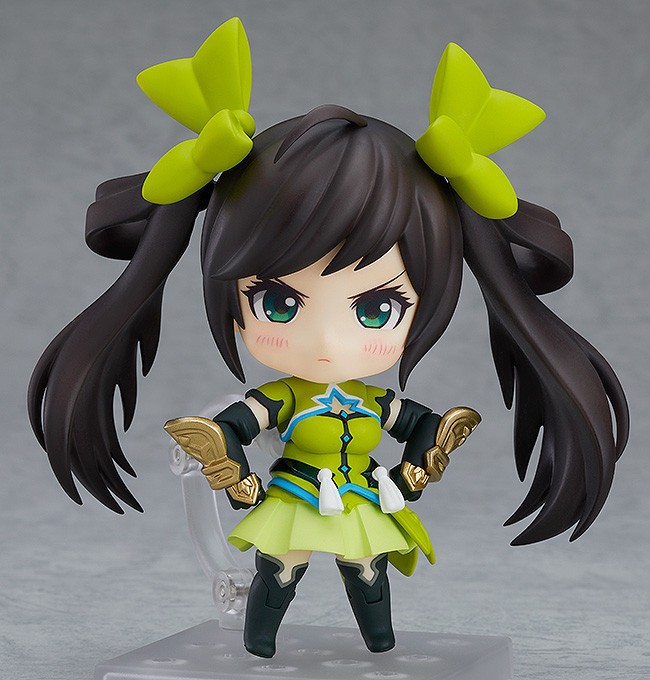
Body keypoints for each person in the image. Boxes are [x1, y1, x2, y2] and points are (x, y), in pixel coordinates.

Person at [28, 18, 628, 659]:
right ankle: (261, 642)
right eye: (279, 303)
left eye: (375, 309)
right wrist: (230, 469)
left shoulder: (375, 403)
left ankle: (380, 641)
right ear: (234, 300)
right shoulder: (284, 398)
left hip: (363, 494)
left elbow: (419, 427)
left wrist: (421, 461)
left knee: (368, 570)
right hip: (292, 493)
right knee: (281, 568)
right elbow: (233, 428)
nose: (324, 341)